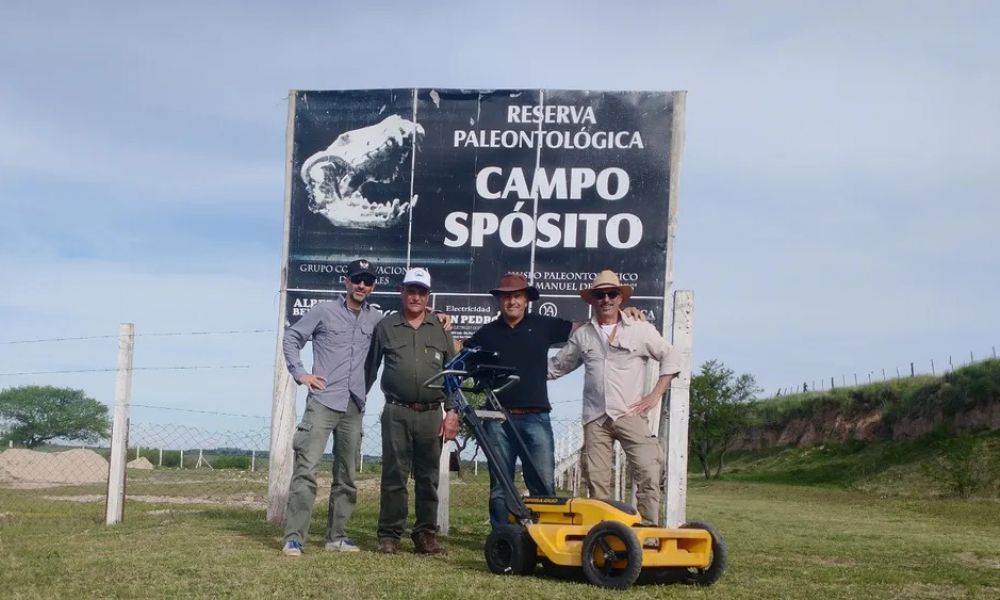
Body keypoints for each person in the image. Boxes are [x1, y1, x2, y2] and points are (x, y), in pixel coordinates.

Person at [548, 270, 681, 525]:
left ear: (621, 298)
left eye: (611, 294)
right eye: (600, 295)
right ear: (592, 300)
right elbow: (556, 367)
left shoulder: (641, 329)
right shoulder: (583, 335)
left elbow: (672, 356)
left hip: (629, 413)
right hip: (595, 418)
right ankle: (605, 533)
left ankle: (649, 530)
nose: (606, 299)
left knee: (648, 471)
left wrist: (655, 395)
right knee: (596, 481)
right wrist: (519, 366)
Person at [280, 258, 382, 556]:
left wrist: (438, 317)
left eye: (367, 281)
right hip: (323, 402)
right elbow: (292, 337)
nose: (361, 285)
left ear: (372, 286)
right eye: (356, 279)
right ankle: (294, 538)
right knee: (306, 470)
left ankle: (336, 537)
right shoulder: (323, 311)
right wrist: (301, 374)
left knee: (347, 475)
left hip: (354, 405)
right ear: (346, 281)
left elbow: (405, 325)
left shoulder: (375, 319)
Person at [365, 267, 459, 555]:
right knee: (394, 475)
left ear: (428, 296)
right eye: (411, 290)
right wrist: (355, 403)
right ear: (402, 292)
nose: (415, 296)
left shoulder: (440, 329)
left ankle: (425, 535)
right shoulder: (386, 327)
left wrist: (453, 412)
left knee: (428, 477)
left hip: (432, 414)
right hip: (396, 411)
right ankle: (390, 535)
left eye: (421, 292)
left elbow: (452, 374)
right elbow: (369, 370)